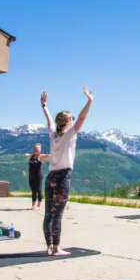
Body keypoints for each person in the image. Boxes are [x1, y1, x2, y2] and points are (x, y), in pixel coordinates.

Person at [40, 87, 93, 256]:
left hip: (50, 177)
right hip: (63, 177)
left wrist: (44, 106)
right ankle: (56, 248)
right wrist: (89, 101)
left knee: (48, 213)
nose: (74, 121)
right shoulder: (69, 134)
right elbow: (82, 118)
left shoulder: (53, 134)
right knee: (58, 215)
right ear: (68, 121)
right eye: (72, 119)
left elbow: (49, 121)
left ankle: (48, 246)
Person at [24, 144, 50, 211]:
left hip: (38, 175)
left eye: (37, 148)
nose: (36, 149)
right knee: (33, 191)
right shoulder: (32, 156)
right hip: (31, 175)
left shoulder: (40, 156)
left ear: (40, 150)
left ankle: (39, 206)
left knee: (39, 190)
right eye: (35, 148)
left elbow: (48, 156)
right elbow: (27, 155)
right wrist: (26, 155)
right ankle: (33, 206)